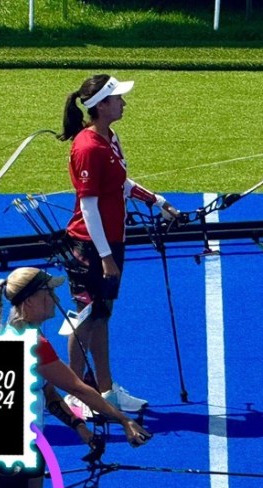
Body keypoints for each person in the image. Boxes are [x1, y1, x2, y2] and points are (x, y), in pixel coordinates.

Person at [0, 267, 152, 488]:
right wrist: (123, 420)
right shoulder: (32, 343)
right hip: (4, 455)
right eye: (49, 292)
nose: (57, 299)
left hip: (28, 446)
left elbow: (49, 394)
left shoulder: (21, 333)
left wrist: (81, 429)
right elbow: (79, 388)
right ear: (29, 301)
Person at [57, 74, 181, 415]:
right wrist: (106, 256)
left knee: (101, 316)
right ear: (101, 106)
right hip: (89, 246)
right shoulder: (87, 147)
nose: (124, 103)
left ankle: (106, 390)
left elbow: (121, 182)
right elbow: (88, 206)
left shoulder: (109, 137)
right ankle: (75, 394)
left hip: (110, 243)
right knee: (84, 318)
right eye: (118, 99)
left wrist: (156, 200)